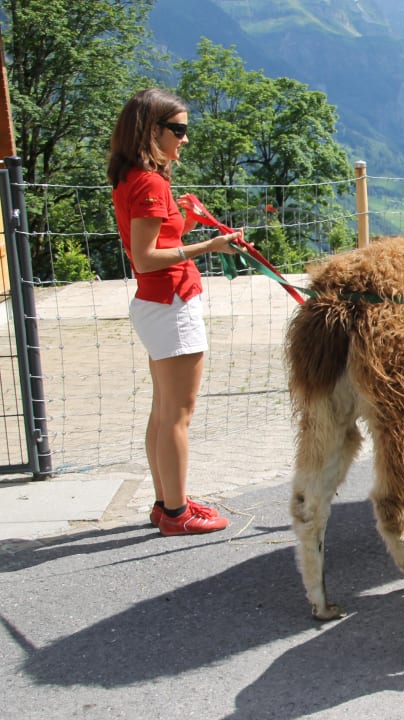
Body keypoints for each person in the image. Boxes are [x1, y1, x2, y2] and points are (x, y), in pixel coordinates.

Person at [107, 88, 241, 535]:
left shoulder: (134, 178)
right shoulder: (149, 183)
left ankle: (168, 503)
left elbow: (157, 244)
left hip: (157, 303)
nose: (185, 139)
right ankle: (177, 514)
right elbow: (146, 257)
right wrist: (211, 245)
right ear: (152, 130)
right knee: (178, 415)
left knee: (164, 411)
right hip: (170, 304)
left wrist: (186, 221)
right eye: (178, 130)